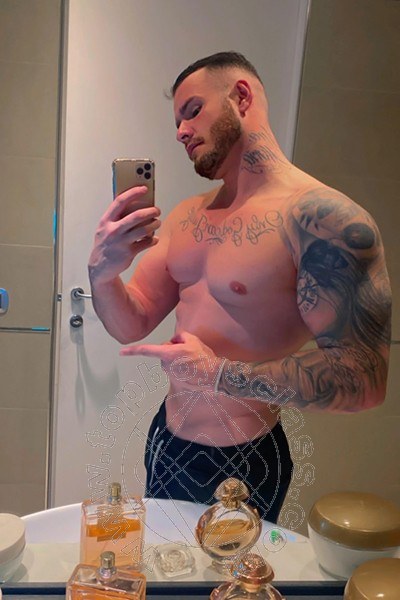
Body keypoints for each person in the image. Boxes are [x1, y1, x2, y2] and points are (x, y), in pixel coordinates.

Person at [88, 52, 391, 523]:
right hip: (167, 439)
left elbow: (363, 378)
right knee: (163, 566)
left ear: (241, 97)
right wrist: (102, 274)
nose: (180, 132)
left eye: (192, 111)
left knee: (232, 573)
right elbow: (133, 322)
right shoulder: (187, 216)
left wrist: (218, 374)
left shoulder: (322, 219)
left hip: (244, 460)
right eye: (177, 121)